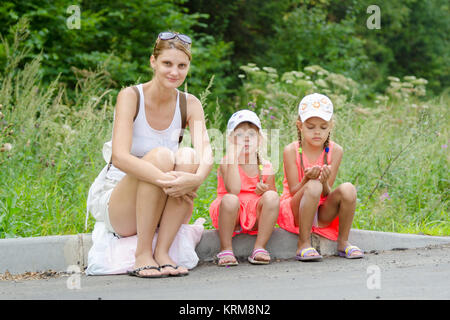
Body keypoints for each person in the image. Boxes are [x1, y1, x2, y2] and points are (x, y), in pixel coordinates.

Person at [89, 31, 213, 278]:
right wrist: (167, 179)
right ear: (153, 62)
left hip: (164, 199)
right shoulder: (130, 96)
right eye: (167, 63)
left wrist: (195, 179)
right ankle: (142, 253)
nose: (174, 72)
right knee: (161, 156)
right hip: (121, 205)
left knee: (188, 156)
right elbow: (121, 157)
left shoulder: (191, 103)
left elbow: (206, 151)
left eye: (182, 66)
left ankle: (163, 252)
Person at [277, 93, 364, 261]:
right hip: (296, 208)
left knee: (348, 188)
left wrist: (323, 180)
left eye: (323, 127)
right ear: (300, 125)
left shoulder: (336, 151)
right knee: (313, 186)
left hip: (321, 209)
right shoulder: (291, 150)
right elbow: (294, 191)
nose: (317, 132)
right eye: (310, 127)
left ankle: (343, 242)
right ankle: (303, 243)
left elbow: (326, 193)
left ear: (331, 125)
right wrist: (307, 180)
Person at [209, 110, 279, 266]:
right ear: (230, 139)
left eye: (251, 135)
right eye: (239, 135)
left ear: (260, 139)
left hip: (255, 213)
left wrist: (265, 191)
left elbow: (273, 200)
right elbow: (233, 190)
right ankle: (226, 249)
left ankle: (259, 248)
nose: (246, 139)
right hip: (230, 213)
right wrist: (233, 157)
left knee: (272, 197)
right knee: (231, 199)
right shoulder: (227, 161)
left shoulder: (266, 166)